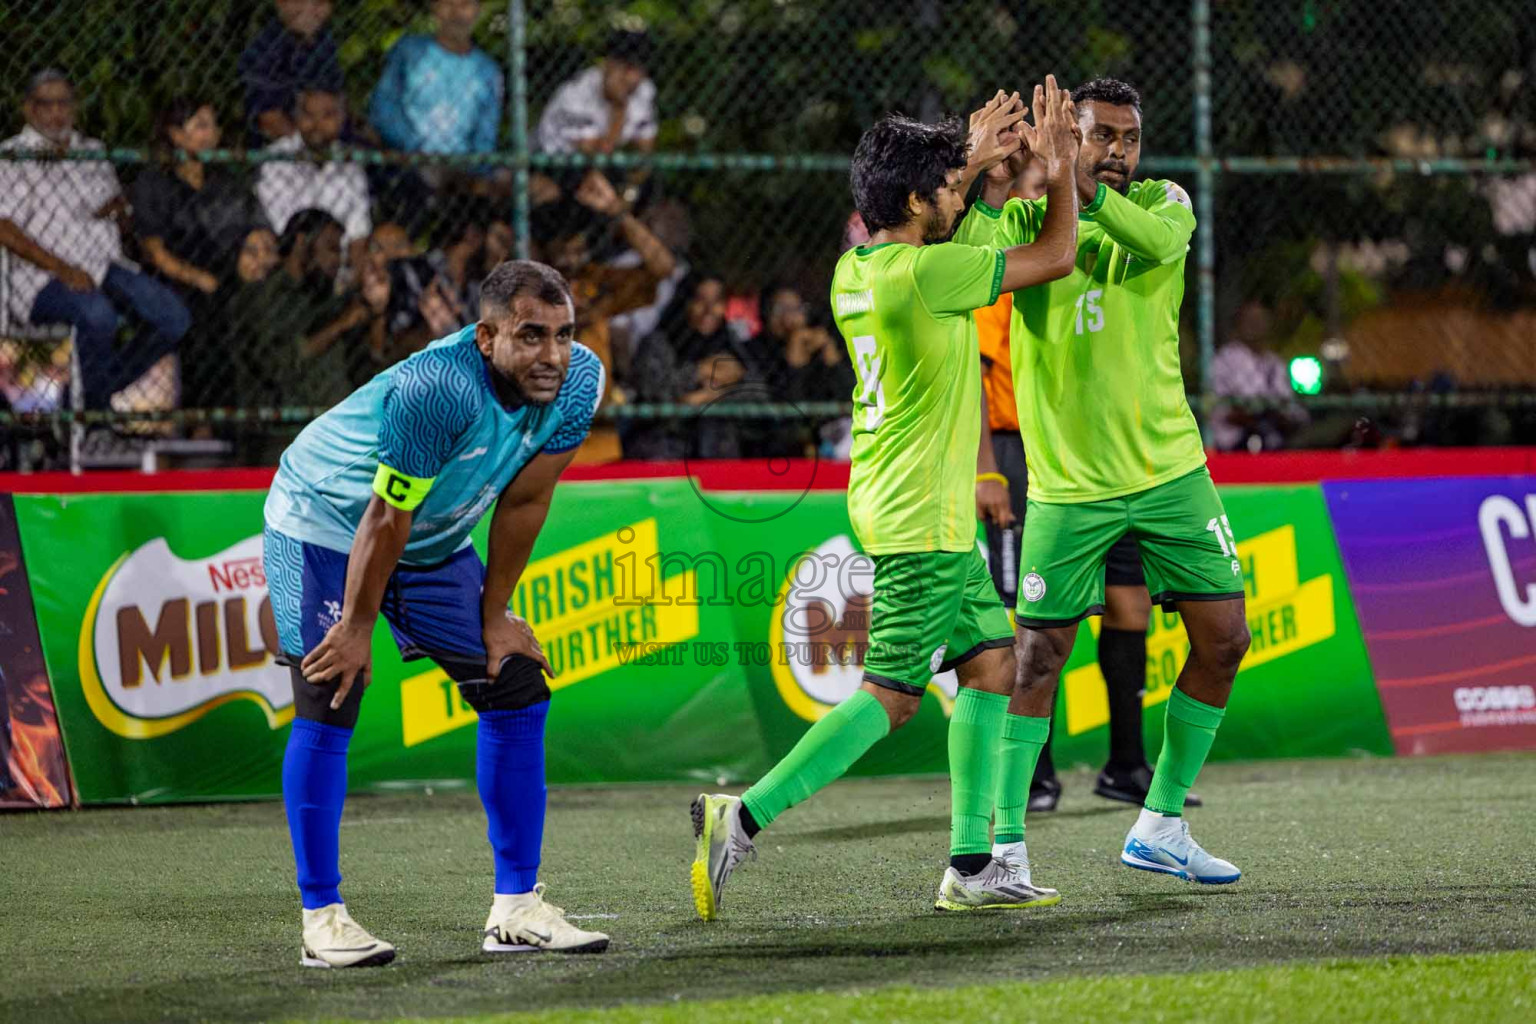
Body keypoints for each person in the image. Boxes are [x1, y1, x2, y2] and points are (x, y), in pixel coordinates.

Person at [690, 82, 1084, 919]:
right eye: (941, 184)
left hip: (894, 499)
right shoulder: (927, 273)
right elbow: (1053, 258)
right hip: (922, 521)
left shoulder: (860, 269)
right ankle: (744, 813)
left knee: (990, 662)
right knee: (893, 697)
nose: (957, 191)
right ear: (914, 200)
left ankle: (974, 864)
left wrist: (971, 169)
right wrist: (1060, 175)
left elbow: (963, 231)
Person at [261, 259, 610, 967]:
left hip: (432, 533)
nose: (552, 355)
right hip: (325, 521)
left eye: (564, 334)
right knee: (332, 691)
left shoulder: (578, 380)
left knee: (513, 684)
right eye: (531, 336)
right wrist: (357, 628)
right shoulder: (438, 388)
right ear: (486, 337)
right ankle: (321, 918)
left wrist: (496, 614)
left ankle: (515, 910)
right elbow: (385, 515)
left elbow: (524, 500)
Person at [965, 78, 1250, 890]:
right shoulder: (1027, 219)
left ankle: (1160, 822)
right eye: (1099, 136)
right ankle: (1008, 847)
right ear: (1070, 137)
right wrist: (997, 179)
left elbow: (1156, 247)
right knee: (1037, 656)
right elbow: (968, 258)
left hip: (1171, 472)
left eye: (1128, 136)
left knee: (1225, 640)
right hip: (1067, 486)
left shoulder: (1167, 204)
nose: (1119, 150)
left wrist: (1075, 181)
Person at [973, 156, 1199, 814]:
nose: (1053, 190)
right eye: (1042, 182)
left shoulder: (1105, 241)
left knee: (1129, 609)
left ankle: (1126, 765)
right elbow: (972, 375)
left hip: (1109, 458)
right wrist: (987, 467)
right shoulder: (1019, 255)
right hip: (1026, 454)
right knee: (1035, 625)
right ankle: (1037, 777)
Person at [0, 69, 190, 410]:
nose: (57, 112)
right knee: (98, 315)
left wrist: (122, 212)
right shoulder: (12, 156)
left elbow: (112, 207)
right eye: (47, 104)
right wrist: (63, 269)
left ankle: (84, 400)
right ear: (28, 109)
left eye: (64, 103)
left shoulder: (91, 151)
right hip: (42, 277)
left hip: (103, 264)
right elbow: (4, 227)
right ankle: (94, 417)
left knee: (173, 317)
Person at [535, 171, 677, 463]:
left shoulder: (593, 281)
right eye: (563, 251)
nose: (571, 259)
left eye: (578, 250)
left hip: (598, 439)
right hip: (538, 438)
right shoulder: (528, 287)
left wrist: (617, 212)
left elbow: (663, 267)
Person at [256, 89, 371, 276]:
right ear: (297, 117)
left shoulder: (350, 165)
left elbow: (359, 237)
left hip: (337, 270)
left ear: (341, 120)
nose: (317, 125)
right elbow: (282, 234)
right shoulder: (276, 159)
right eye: (308, 115)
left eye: (328, 115)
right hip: (286, 266)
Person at [369, 0, 502, 157]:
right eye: (448, 4)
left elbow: (485, 135)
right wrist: (414, 148)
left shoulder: (487, 70)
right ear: (434, 8)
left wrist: (475, 170)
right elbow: (384, 108)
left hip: (462, 169)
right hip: (408, 161)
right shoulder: (410, 52)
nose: (456, 14)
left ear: (478, 10)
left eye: (465, 5)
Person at [238, 0, 345, 147]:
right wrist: (306, 149)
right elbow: (268, 117)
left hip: (325, 145)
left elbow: (335, 104)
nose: (309, 9)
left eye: (319, 3)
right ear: (280, 3)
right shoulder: (264, 48)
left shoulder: (325, 44)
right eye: (298, 1)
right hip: (279, 150)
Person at [536, 30, 657, 157]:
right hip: (550, 155)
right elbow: (593, 153)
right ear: (607, 64)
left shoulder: (645, 89)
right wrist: (619, 108)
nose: (633, 78)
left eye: (640, 69)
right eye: (627, 68)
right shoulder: (578, 90)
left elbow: (645, 153)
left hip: (597, 163)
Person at [1210, 300, 1307, 452]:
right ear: (1238, 324)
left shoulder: (1275, 363)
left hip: (1274, 438)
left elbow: (1290, 409)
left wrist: (1276, 415)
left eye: (1261, 320)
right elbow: (1221, 410)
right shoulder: (1225, 359)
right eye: (1250, 320)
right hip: (1235, 443)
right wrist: (1256, 416)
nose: (1256, 325)